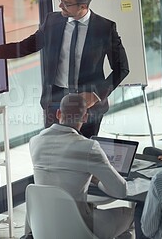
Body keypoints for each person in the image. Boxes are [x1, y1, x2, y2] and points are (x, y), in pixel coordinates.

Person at [0, 0, 129, 138]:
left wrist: (96, 95)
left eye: (66, 3)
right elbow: (24, 47)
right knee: (54, 155)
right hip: (55, 103)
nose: (60, 5)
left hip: (88, 106)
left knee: (84, 159)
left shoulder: (104, 28)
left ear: (83, 7)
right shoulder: (52, 21)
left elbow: (122, 68)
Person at [28, 93, 134, 239]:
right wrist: (96, 180)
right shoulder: (88, 147)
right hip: (79, 228)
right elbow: (121, 191)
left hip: (44, 225)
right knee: (129, 214)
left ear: (59, 113)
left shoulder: (35, 142)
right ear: (85, 117)